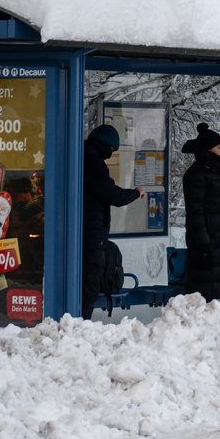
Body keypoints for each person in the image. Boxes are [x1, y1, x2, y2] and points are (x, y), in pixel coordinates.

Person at [80, 124, 142, 319]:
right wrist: (135, 193)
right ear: (102, 144)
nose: (111, 154)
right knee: (89, 288)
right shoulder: (93, 162)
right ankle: (79, 327)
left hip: (88, 233)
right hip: (92, 235)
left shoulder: (83, 157)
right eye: (111, 149)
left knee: (85, 286)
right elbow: (111, 194)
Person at [179, 123, 220, 303]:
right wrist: (204, 244)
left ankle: (212, 325)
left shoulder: (215, 174)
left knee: (213, 294)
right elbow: (195, 213)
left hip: (219, 242)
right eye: (219, 147)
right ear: (209, 149)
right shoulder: (198, 175)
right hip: (207, 245)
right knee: (205, 294)